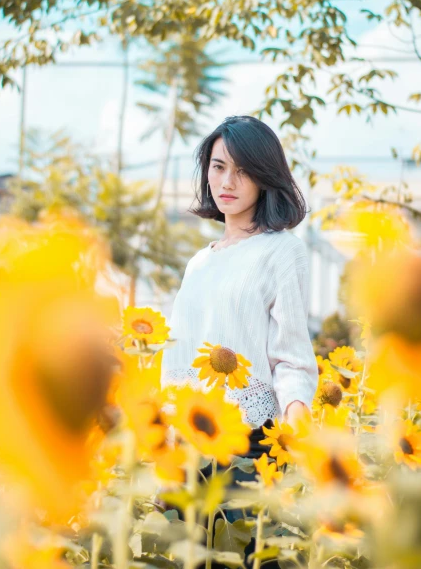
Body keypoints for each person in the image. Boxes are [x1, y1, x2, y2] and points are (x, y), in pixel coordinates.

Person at [159, 115, 319, 565]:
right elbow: (177, 355)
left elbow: (290, 355)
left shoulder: (282, 249)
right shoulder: (198, 262)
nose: (227, 181)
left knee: (243, 558)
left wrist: (298, 427)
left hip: (249, 447)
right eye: (218, 166)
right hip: (190, 441)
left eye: (243, 170)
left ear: (265, 176)